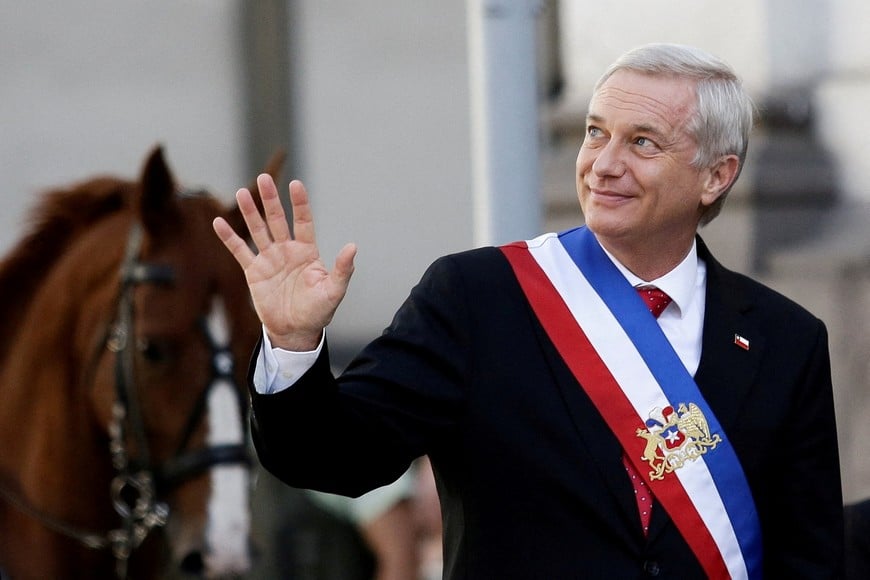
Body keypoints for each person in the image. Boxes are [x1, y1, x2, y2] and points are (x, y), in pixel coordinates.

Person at [213, 43, 844, 578]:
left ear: (716, 175)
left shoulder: (786, 338)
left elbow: (809, 556)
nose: (604, 164)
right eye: (595, 131)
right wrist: (293, 340)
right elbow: (333, 458)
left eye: (642, 142)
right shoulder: (479, 296)